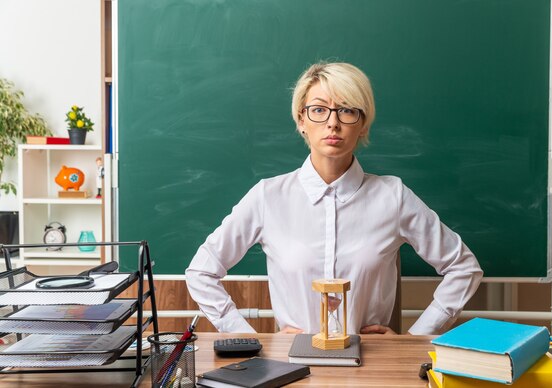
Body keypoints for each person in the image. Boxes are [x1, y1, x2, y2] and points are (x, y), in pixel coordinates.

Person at [185, 62, 483, 335]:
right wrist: (248, 337)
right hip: (291, 367)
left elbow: (464, 268)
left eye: (347, 110)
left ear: (363, 124)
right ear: (301, 119)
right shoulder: (268, 197)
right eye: (319, 109)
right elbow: (201, 271)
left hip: (372, 368)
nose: (333, 123)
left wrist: (415, 338)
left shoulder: (392, 196)